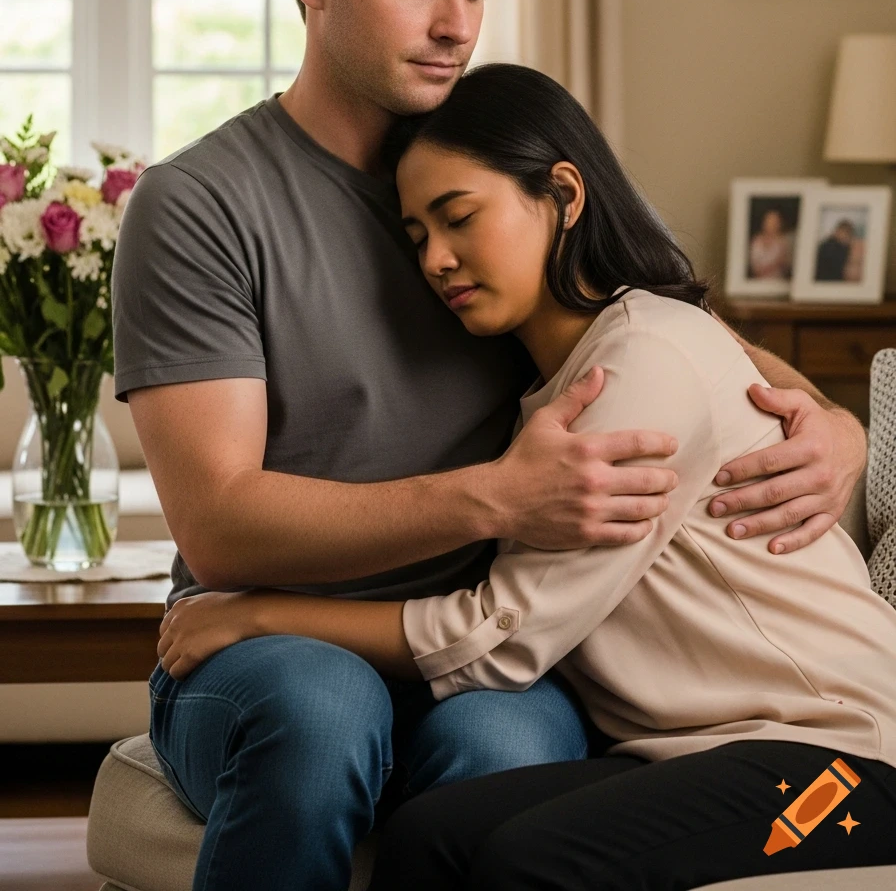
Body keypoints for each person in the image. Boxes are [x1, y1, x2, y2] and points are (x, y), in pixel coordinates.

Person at [113, 0, 866, 891]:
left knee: (506, 747)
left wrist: (836, 427)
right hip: (268, 643)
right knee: (324, 717)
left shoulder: (501, 168)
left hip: (499, 643)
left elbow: (677, 329)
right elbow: (221, 528)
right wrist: (495, 499)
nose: (454, 25)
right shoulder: (199, 203)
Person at [157, 64, 896, 891]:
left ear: (564, 196)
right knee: (433, 835)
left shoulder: (645, 360)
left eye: (459, 217)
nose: (438, 259)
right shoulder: (554, 394)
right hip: (687, 755)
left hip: (841, 760)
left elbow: (501, 638)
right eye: (417, 236)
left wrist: (255, 614)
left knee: (524, 861)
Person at [748, 206, 794, 280]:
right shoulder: (756, 240)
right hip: (757, 281)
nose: (772, 224)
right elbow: (754, 267)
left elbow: (785, 265)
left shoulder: (784, 242)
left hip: (776, 281)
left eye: (775, 221)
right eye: (769, 220)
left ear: (780, 223)